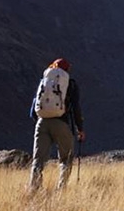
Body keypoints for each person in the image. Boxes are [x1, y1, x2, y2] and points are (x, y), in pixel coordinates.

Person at [28, 58, 85, 192]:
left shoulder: (44, 82)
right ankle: (61, 190)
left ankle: (33, 189)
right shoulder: (70, 84)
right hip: (62, 123)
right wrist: (80, 129)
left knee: (38, 159)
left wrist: (42, 121)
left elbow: (33, 110)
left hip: (42, 122)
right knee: (66, 158)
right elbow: (76, 108)